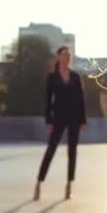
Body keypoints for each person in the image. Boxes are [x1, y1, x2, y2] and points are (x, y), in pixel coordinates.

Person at [33, 46, 87, 201]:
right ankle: (39, 182)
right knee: (51, 150)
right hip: (58, 118)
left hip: (74, 118)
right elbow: (48, 100)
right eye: (64, 55)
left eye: (69, 55)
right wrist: (48, 120)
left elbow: (81, 99)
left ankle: (69, 184)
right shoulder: (52, 77)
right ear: (58, 57)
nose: (67, 57)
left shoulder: (76, 77)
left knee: (72, 152)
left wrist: (83, 120)